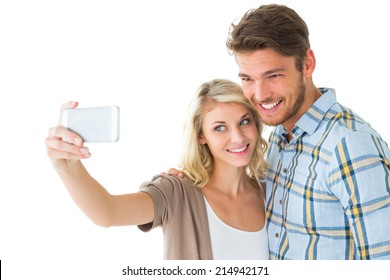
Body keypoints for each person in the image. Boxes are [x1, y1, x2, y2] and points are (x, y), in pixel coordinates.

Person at [169, 4, 390, 260]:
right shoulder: (279, 135)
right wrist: (195, 176)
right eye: (248, 79)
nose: (260, 95)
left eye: (273, 75)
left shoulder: (349, 145)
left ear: (307, 64)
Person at [45, 79, 270, 260]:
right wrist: (67, 166)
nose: (238, 137)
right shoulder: (176, 192)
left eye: (244, 122)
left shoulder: (271, 192)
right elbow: (107, 212)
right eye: (220, 128)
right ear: (201, 136)